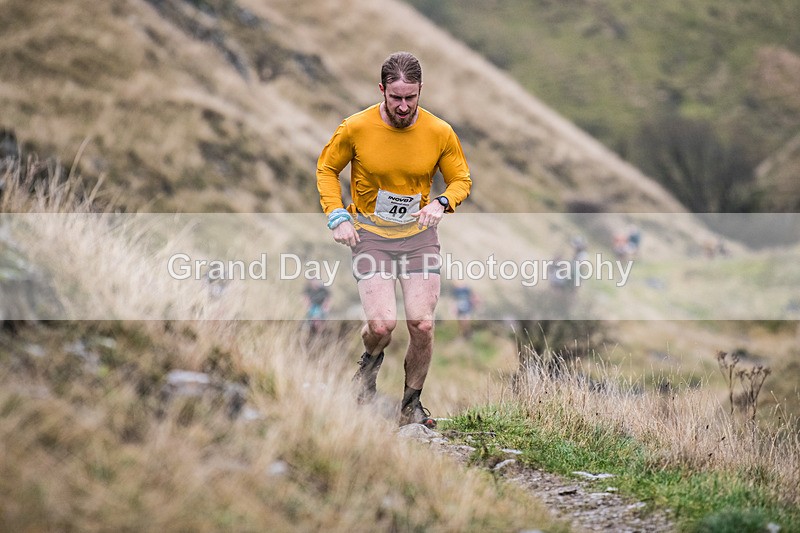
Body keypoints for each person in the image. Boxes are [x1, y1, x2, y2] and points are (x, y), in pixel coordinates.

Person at [316, 51, 471, 428]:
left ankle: (411, 404)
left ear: (420, 92)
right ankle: (367, 371)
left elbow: (461, 179)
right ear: (382, 90)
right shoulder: (355, 127)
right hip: (370, 237)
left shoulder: (439, 132)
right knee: (382, 325)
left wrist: (442, 202)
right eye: (396, 97)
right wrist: (337, 217)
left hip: (418, 238)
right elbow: (326, 169)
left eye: (411, 98)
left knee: (422, 324)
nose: (403, 106)